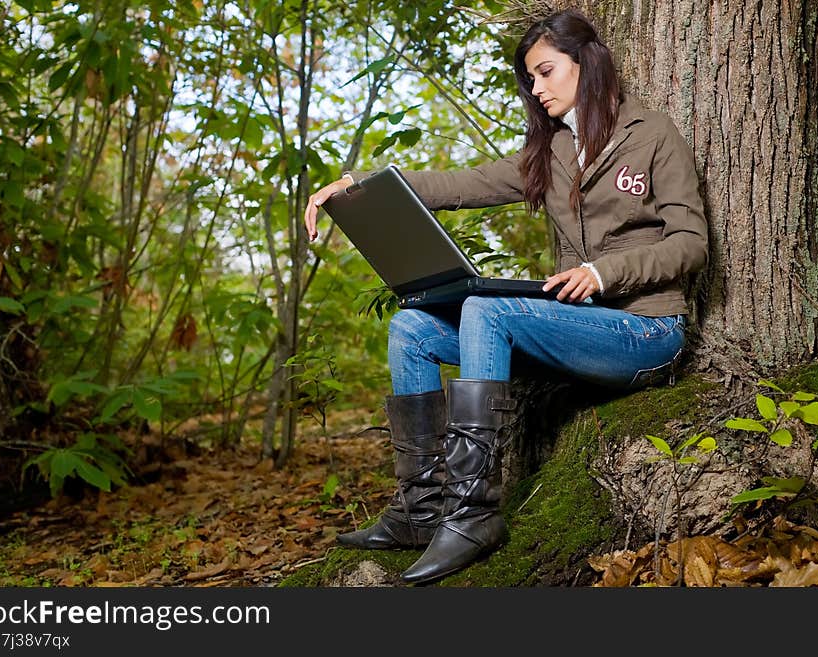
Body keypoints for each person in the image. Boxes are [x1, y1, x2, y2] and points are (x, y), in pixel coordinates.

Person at [303, 8, 708, 585]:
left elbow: (691, 244)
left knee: (486, 308)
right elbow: (460, 184)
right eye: (531, 80)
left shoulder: (652, 136)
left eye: (545, 72)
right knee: (411, 329)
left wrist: (602, 273)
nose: (537, 89)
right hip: (577, 330)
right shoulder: (553, 151)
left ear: (586, 64)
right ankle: (422, 510)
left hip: (647, 332)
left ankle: (473, 516)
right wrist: (357, 188)